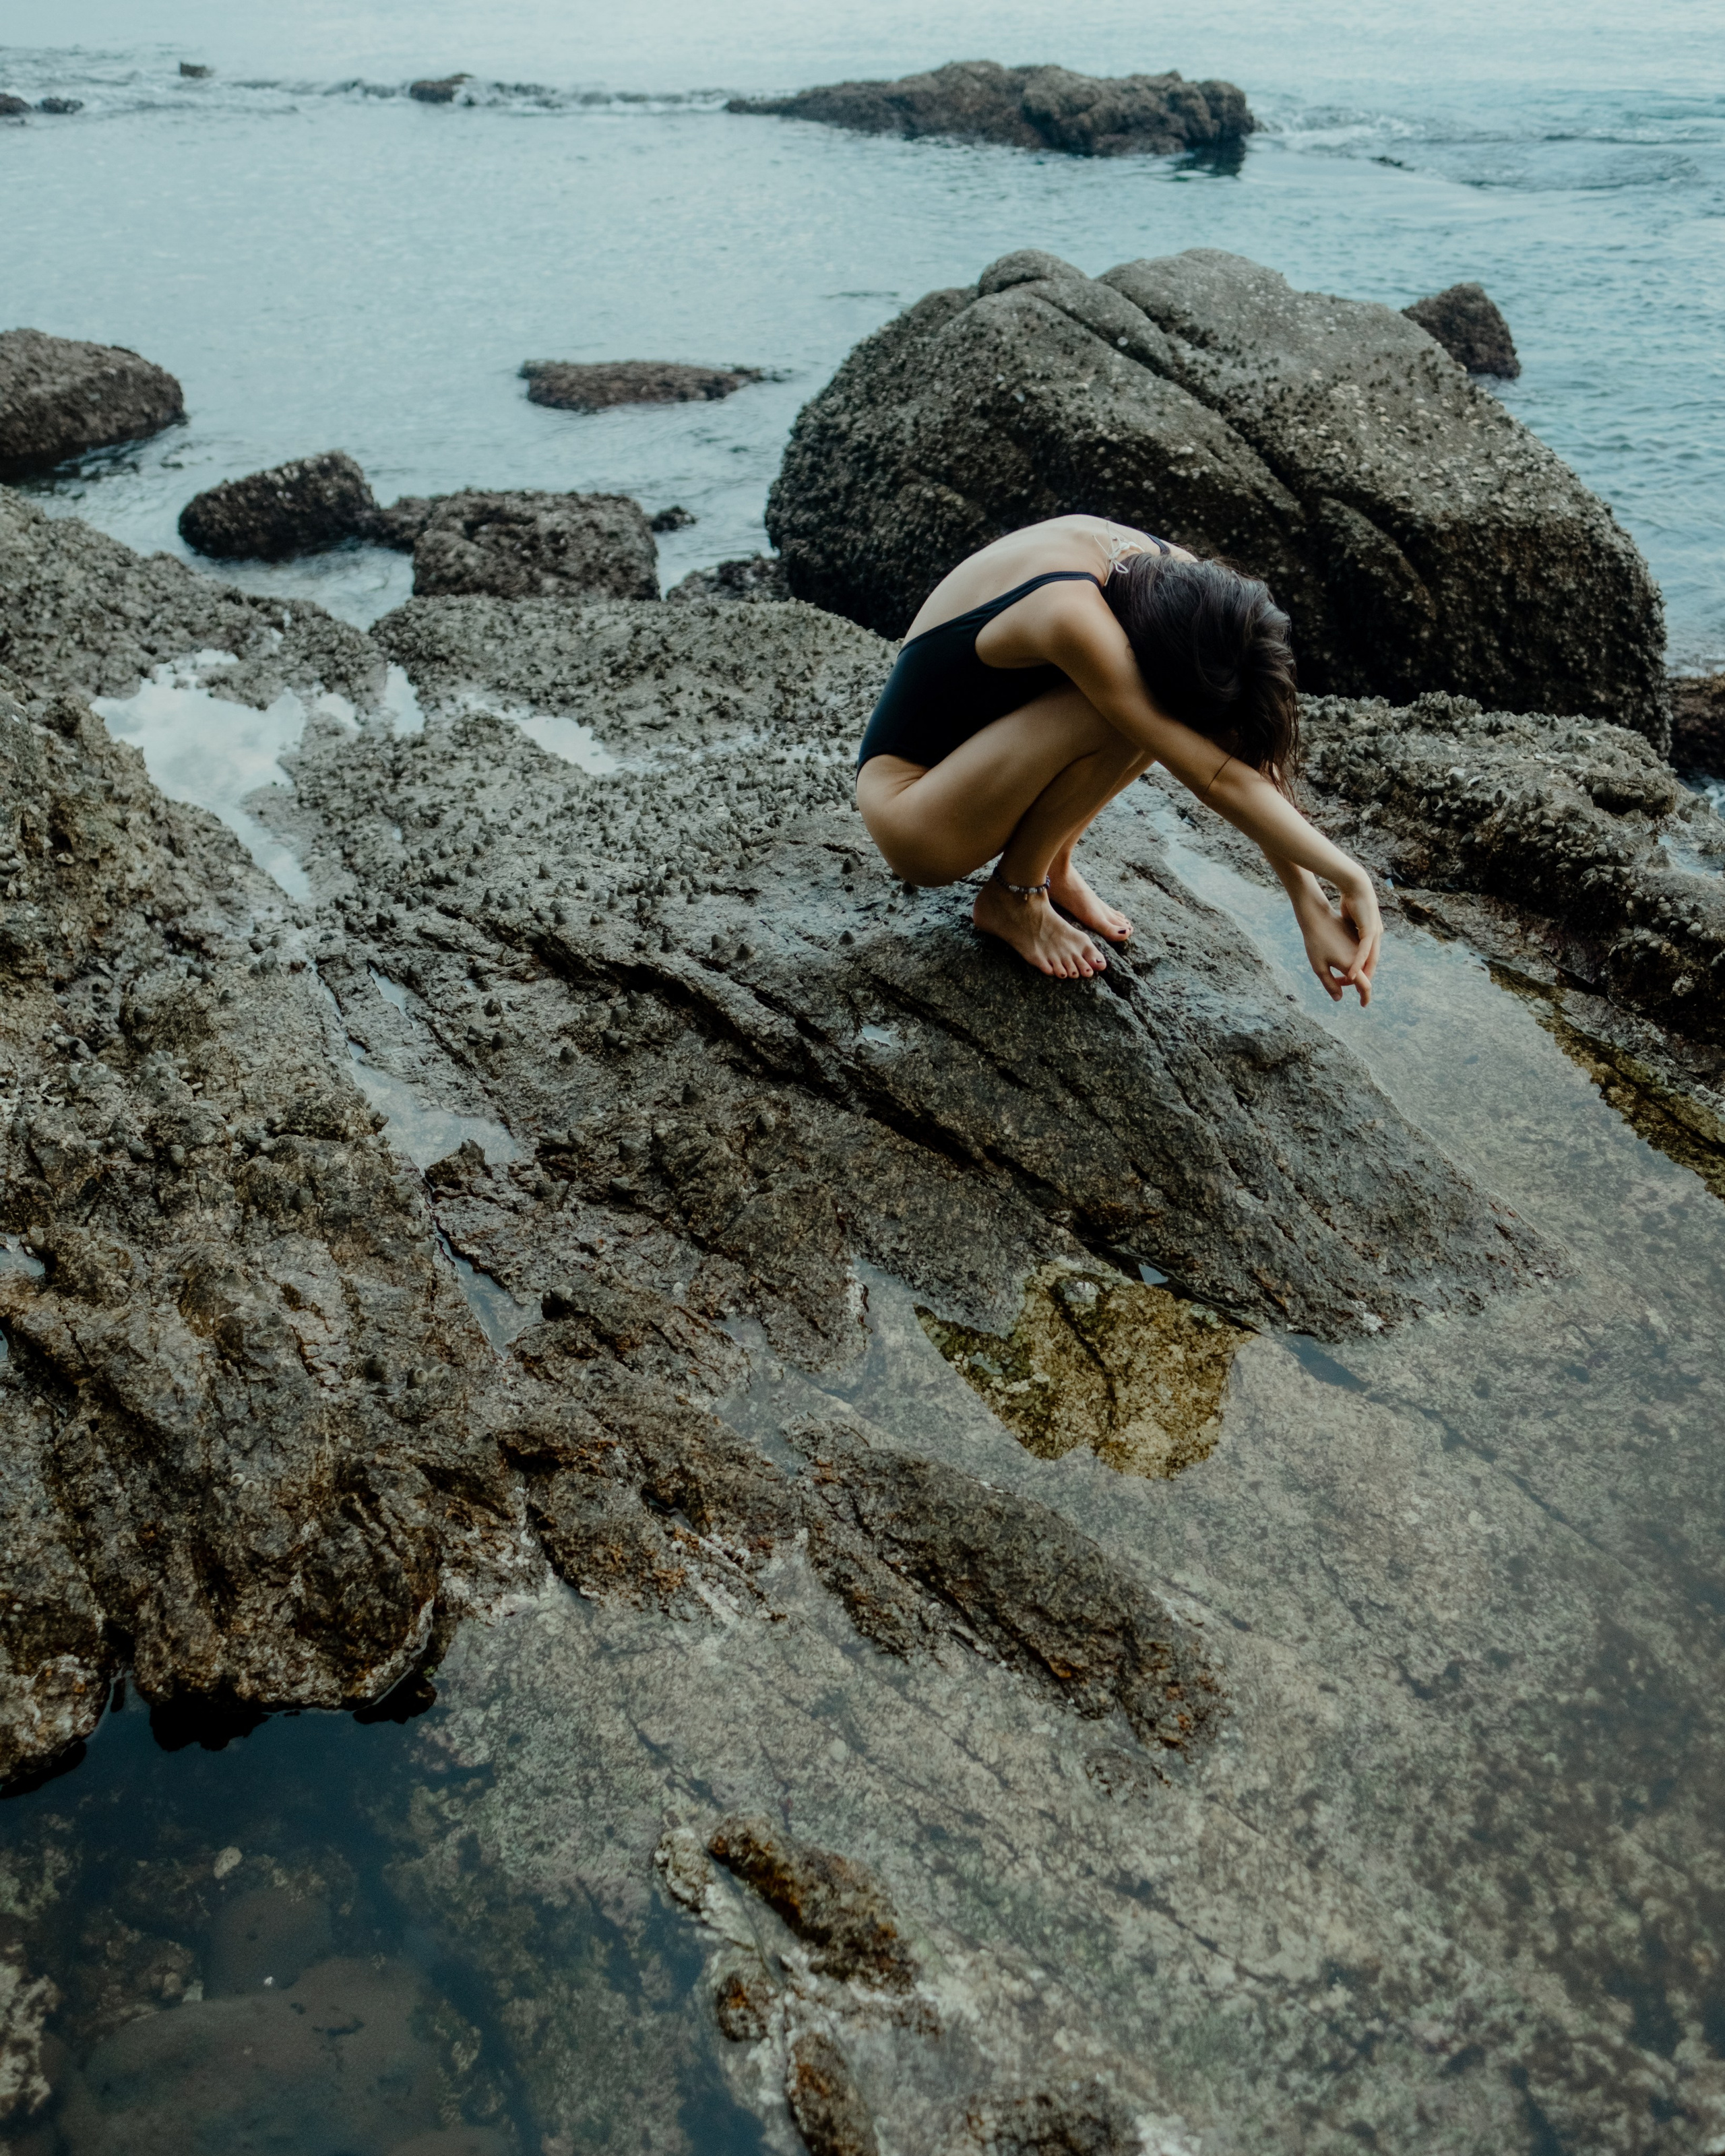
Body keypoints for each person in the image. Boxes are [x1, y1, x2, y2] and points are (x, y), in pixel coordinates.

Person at [854, 514, 1382, 1001]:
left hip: (975, 764)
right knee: (1124, 714)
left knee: (1144, 710)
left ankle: (1053, 864)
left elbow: (1236, 752)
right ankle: (1014, 898)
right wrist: (1351, 877)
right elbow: (1214, 775)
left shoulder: (1174, 582)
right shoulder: (1068, 616)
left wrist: (1308, 899)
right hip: (915, 816)